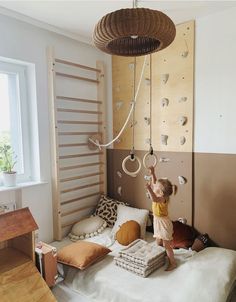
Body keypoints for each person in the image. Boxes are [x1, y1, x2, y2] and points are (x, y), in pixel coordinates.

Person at [145, 166, 177, 271]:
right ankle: (161, 257)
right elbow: (155, 183)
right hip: (157, 220)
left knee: (166, 245)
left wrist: (149, 189)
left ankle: (173, 263)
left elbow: (153, 198)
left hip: (163, 223)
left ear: (161, 193)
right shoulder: (160, 193)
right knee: (158, 242)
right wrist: (153, 173)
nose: (154, 187)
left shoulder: (162, 199)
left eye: (155, 188)